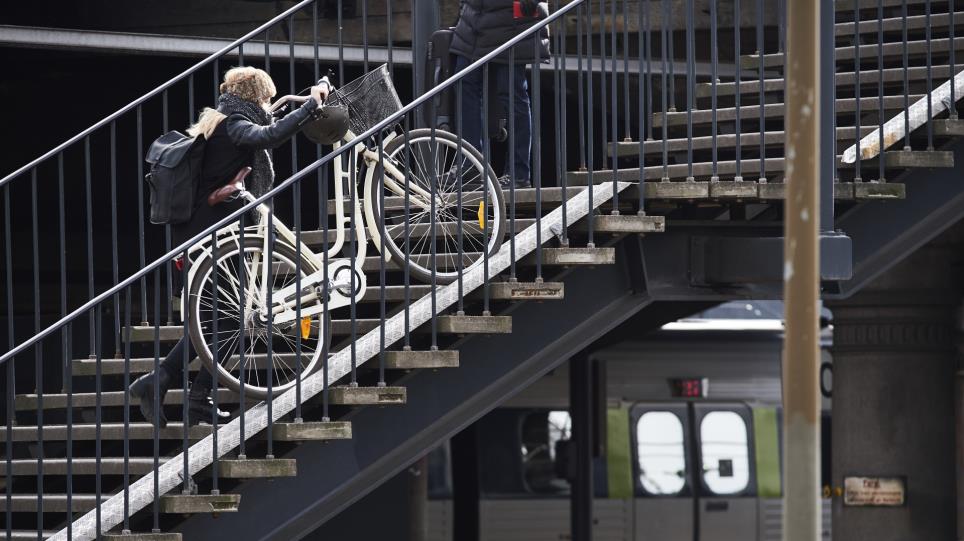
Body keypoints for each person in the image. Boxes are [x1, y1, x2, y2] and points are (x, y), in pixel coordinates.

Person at [129, 66, 332, 428]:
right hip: (214, 234)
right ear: (256, 96)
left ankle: (171, 386)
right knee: (230, 318)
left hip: (203, 230)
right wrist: (310, 108)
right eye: (268, 98)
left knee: (216, 319)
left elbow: (263, 130)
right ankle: (188, 393)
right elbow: (268, 134)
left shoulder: (219, 119)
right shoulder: (235, 124)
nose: (270, 104)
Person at [450, 0, 550, 190]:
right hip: (474, 19)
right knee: (465, 83)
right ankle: (471, 166)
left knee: (511, 93)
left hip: (510, 20)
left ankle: (518, 174)